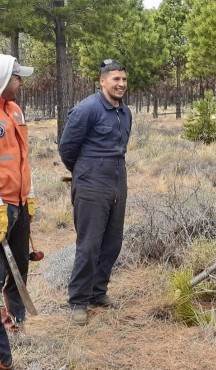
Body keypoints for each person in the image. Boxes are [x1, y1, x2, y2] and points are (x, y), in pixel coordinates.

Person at [58, 59, 132, 325]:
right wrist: (85, 172)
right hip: (91, 183)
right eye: (115, 79)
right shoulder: (86, 109)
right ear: (102, 81)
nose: (121, 84)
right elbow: (67, 148)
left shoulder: (125, 112)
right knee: (89, 244)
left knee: (113, 242)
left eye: (124, 79)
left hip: (117, 180)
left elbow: (121, 147)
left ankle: (98, 292)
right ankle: (78, 300)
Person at [0, 54, 35, 369]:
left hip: (20, 202)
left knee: (19, 265)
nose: (21, 82)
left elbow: (23, 157)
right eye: (17, 77)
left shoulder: (15, 110)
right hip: (0, 205)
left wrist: (30, 192)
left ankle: (16, 318)